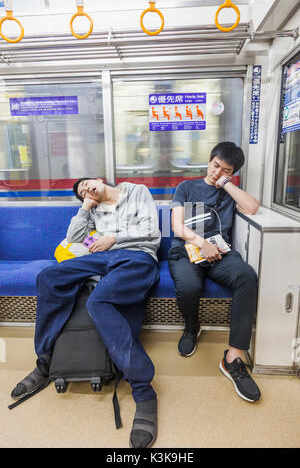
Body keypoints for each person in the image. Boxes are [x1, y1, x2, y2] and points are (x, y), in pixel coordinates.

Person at [11, 178, 161, 448]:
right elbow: (73, 240)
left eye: (88, 185)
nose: (86, 191)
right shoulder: (93, 210)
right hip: (102, 258)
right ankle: (46, 362)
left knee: (98, 301)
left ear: (100, 180)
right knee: (48, 277)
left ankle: (143, 389)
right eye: (82, 192)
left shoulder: (137, 191)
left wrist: (113, 238)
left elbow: (151, 229)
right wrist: (86, 207)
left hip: (137, 256)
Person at [168, 141, 261, 403]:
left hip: (220, 254)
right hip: (188, 250)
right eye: (215, 165)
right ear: (209, 161)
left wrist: (227, 184)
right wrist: (202, 243)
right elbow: (176, 226)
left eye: (225, 170)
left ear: (232, 174)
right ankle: (191, 327)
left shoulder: (228, 190)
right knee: (189, 286)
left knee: (246, 275)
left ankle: (233, 357)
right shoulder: (186, 187)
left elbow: (252, 207)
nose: (216, 172)